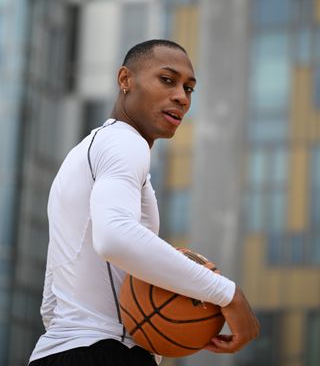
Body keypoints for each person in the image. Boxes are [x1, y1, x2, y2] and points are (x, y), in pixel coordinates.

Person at [29, 39, 259, 366]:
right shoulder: (125, 142)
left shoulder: (87, 152)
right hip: (104, 351)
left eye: (189, 88)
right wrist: (227, 294)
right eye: (167, 80)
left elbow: (52, 301)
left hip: (60, 352)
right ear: (126, 80)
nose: (181, 96)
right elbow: (115, 237)